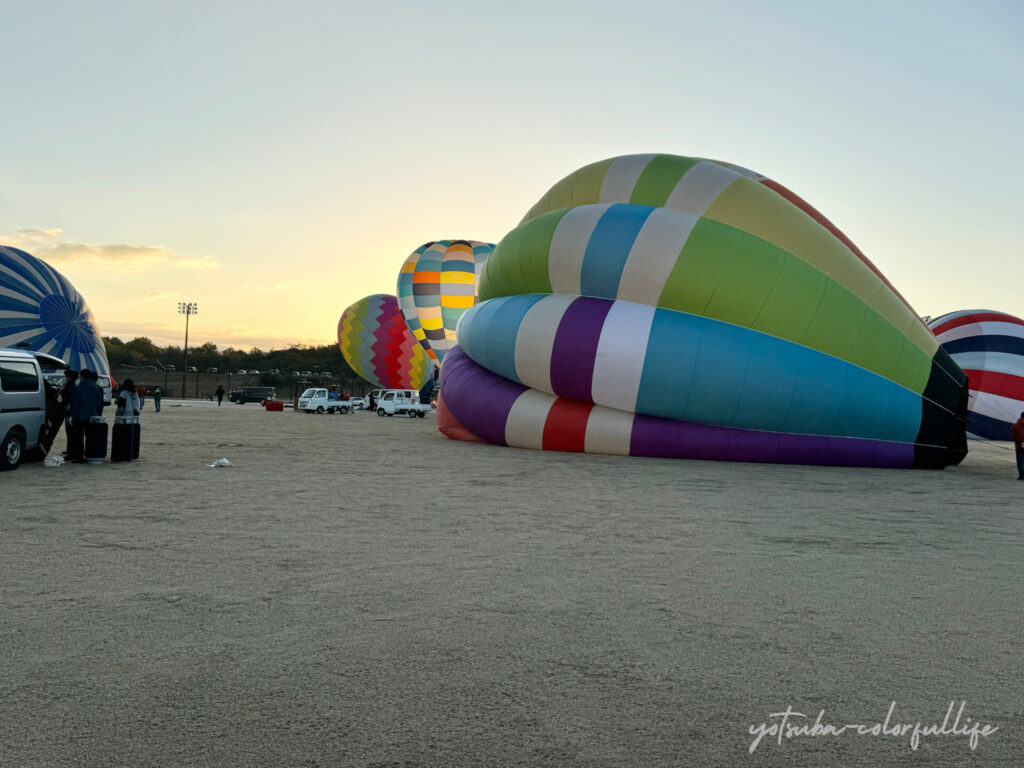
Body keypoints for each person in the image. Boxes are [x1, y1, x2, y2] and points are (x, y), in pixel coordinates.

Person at [68, 369, 103, 463]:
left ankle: (79, 455)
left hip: (80, 416)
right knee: (90, 436)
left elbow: (75, 403)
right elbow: (99, 403)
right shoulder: (96, 388)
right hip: (92, 416)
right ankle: (90, 454)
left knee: (79, 436)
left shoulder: (79, 388)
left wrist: (72, 415)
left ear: (82, 376)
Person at [60, 369, 79, 458]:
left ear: (70, 378)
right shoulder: (73, 386)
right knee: (70, 432)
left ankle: (71, 452)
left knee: (70, 432)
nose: (66, 378)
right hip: (70, 411)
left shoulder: (69, 387)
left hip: (69, 412)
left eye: (67, 377)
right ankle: (70, 450)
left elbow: (66, 398)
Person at [1011, 412, 1024, 480]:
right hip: (1020, 444)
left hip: (1019, 445)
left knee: (1020, 461)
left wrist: (1019, 443)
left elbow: (1013, 436)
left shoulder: (1015, 425)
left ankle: (1022, 476)